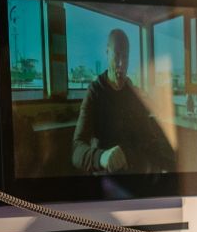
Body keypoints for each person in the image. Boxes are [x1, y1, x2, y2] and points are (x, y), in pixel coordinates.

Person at [71, 28, 173, 175]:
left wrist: (164, 167)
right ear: (107, 53)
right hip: (105, 175)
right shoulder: (95, 92)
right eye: (117, 56)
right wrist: (101, 157)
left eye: (125, 57)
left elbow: (149, 140)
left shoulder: (134, 93)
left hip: (133, 173)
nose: (121, 64)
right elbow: (76, 150)